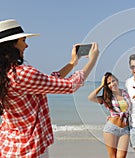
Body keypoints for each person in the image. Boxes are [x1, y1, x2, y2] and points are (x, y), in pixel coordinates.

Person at [0, 19, 99, 158]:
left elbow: (47, 81)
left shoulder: (6, 74)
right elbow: (71, 86)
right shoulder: (22, 74)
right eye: (23, 40)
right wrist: (92, 60)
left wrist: (72, 63)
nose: (26, 45)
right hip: (29, 149)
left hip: (10, 147)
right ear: (11, 45)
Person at [88, 72, 131, 158]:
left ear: (117, 81)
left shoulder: (126, 93)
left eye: (113, 81)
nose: (112, 84)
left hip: (125, 129)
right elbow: (91, 97)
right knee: (112, 157)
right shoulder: (106, 97)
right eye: (108, 83)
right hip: (111, 129)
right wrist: (101, 85)